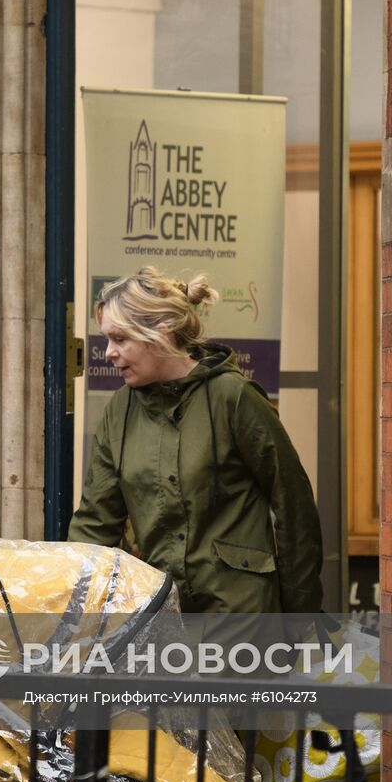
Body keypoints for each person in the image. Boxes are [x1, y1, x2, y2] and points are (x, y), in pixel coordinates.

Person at [68, 267, 323, 628]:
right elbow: (95, 524)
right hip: (160, 616)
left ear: (161, 332)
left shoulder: (233, 397)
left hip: (242, 619)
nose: (108, 353)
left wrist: (300, 616)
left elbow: (293, 506)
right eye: (106, 340)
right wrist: (71, 617)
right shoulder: (120, 410)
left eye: (120, 339)